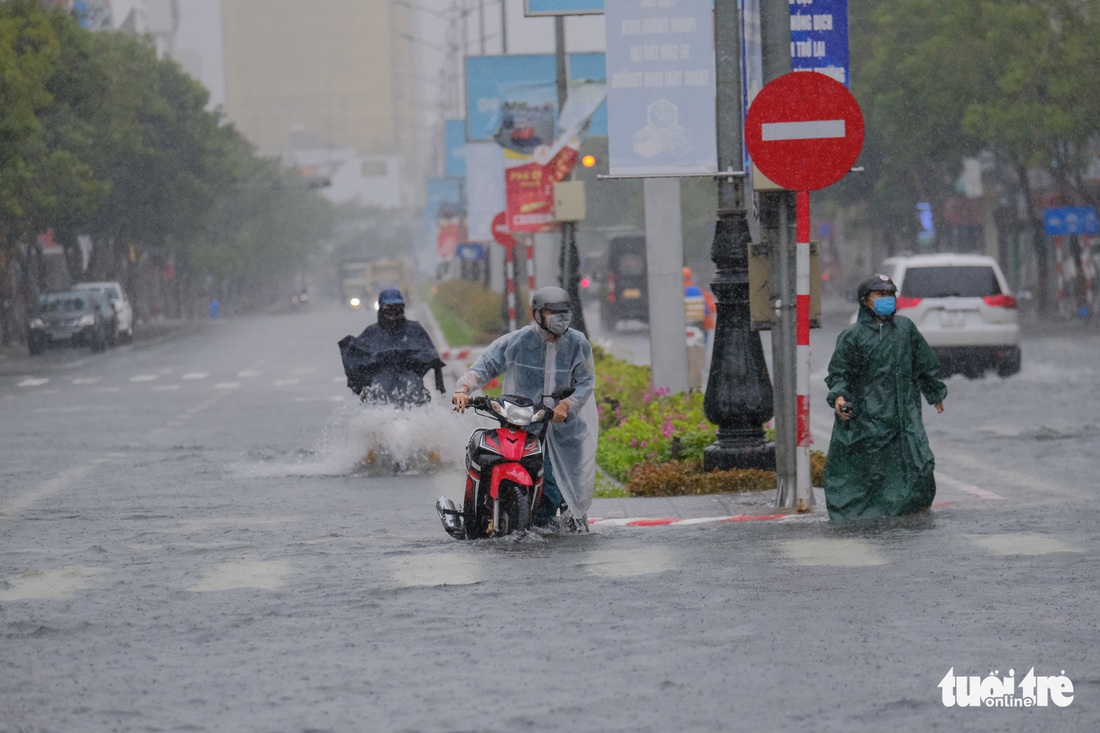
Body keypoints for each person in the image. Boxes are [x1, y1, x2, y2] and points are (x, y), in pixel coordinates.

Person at [452, 286, 598, 531]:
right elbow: (486, 365)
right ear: (538, 314)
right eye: (553, 312)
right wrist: (463, 388)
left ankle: (545, 526)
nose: (560, 318)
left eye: (564, 313)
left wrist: (565, 405)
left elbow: (585, 383)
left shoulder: (578, 344)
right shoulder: (517, 341)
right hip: (523, 424)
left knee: (553, 486)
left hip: (564, 430)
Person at [823, 274, 948, 520]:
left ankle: (912, 509)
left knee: (919, 462)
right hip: (866, 418)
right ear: (865, 301)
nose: (886, 299)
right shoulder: (853, 336)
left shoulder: (905, 329)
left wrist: (934, 392)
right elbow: (839, 374)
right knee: (870, 472)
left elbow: (923, 363)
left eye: (890, 294)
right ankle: (866, 516)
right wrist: (839, 398)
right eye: (880, 295)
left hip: (904, 414)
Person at [338, 289, 445, 407]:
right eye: (388, 306)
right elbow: (358, 359)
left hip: (411, 384)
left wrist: (409, 359)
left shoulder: (414, 329)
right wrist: (379, 360)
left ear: (403, 306)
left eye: (397, 306)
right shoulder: (372, 332)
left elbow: (430, 353)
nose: (393, 310)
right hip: (380, 385)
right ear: (381, 307)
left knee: (422, 406)